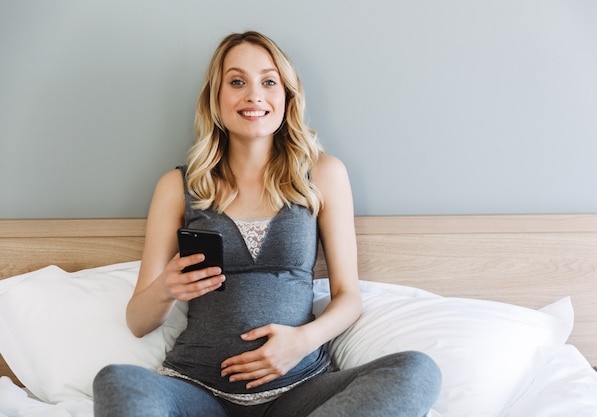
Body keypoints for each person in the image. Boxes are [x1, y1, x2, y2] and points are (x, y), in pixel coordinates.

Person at [93, 31, 441, 417]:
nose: (254, 95)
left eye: (269, 81)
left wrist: (300, 341)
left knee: (416, 370)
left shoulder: (323, 174)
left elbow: (348, 297)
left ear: (287, 96)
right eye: (237, 81)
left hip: (301, 390)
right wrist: (166, 288)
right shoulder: (178, 186)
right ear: (216, 97)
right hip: (198, 390)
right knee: (115, 380)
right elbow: (137, 322)